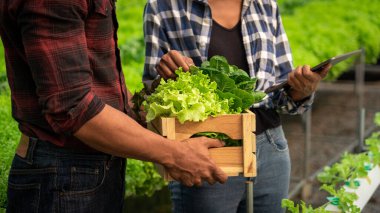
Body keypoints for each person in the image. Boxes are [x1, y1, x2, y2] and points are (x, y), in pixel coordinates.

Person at [0, 0, 228, 212]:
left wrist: (163, 97)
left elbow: (103, 94)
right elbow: (73, 108)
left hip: (87, 170)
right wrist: (175, 155)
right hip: (64, 176)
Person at [143, 0, 331, 212]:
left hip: (271, 147)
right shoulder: (163, 6)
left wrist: (302, 89)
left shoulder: (265, 4)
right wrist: (166, 74)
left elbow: (282, 95)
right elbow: (153, 93)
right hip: (210, 151)